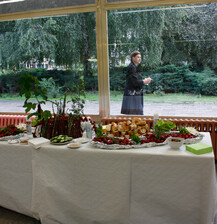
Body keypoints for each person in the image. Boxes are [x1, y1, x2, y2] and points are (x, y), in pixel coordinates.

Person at [121, 50, 152, 115]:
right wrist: (144, 81)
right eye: (138, 57)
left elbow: (135, 80)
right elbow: (134, 82)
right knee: (134, 114)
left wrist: (144, 81)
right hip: (132, 94)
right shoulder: (131, 67)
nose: (140, 58)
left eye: (140, 57)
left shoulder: (134, 67)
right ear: (133, 57)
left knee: (135, 113)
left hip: (134, 94)